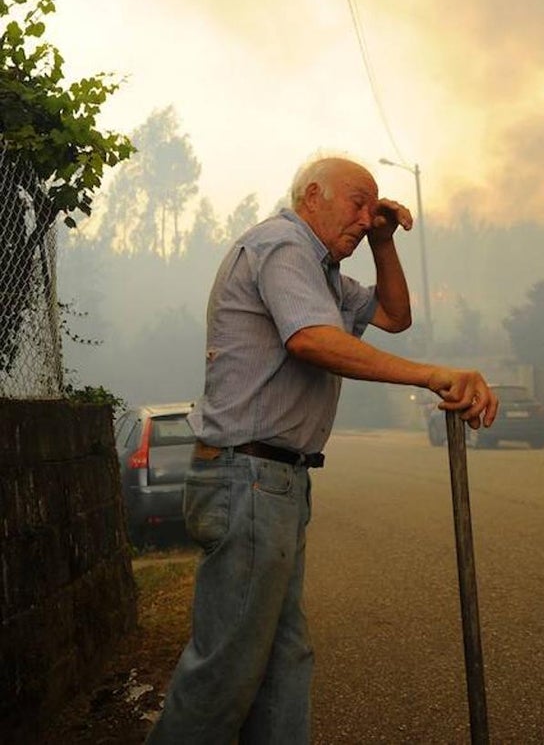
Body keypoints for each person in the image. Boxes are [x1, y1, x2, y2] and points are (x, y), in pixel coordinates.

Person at [146, 156, 500, 743]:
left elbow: (394, 315)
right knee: (226, 671)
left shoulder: (325, 275)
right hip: (248, 475)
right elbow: (312, 339)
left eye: (373, 207)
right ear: (313, 195)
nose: (366, 218)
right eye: (358, 204)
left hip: (276, 480)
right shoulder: (283, 248)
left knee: (285, 661)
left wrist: (385, 243)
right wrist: (431, 375)